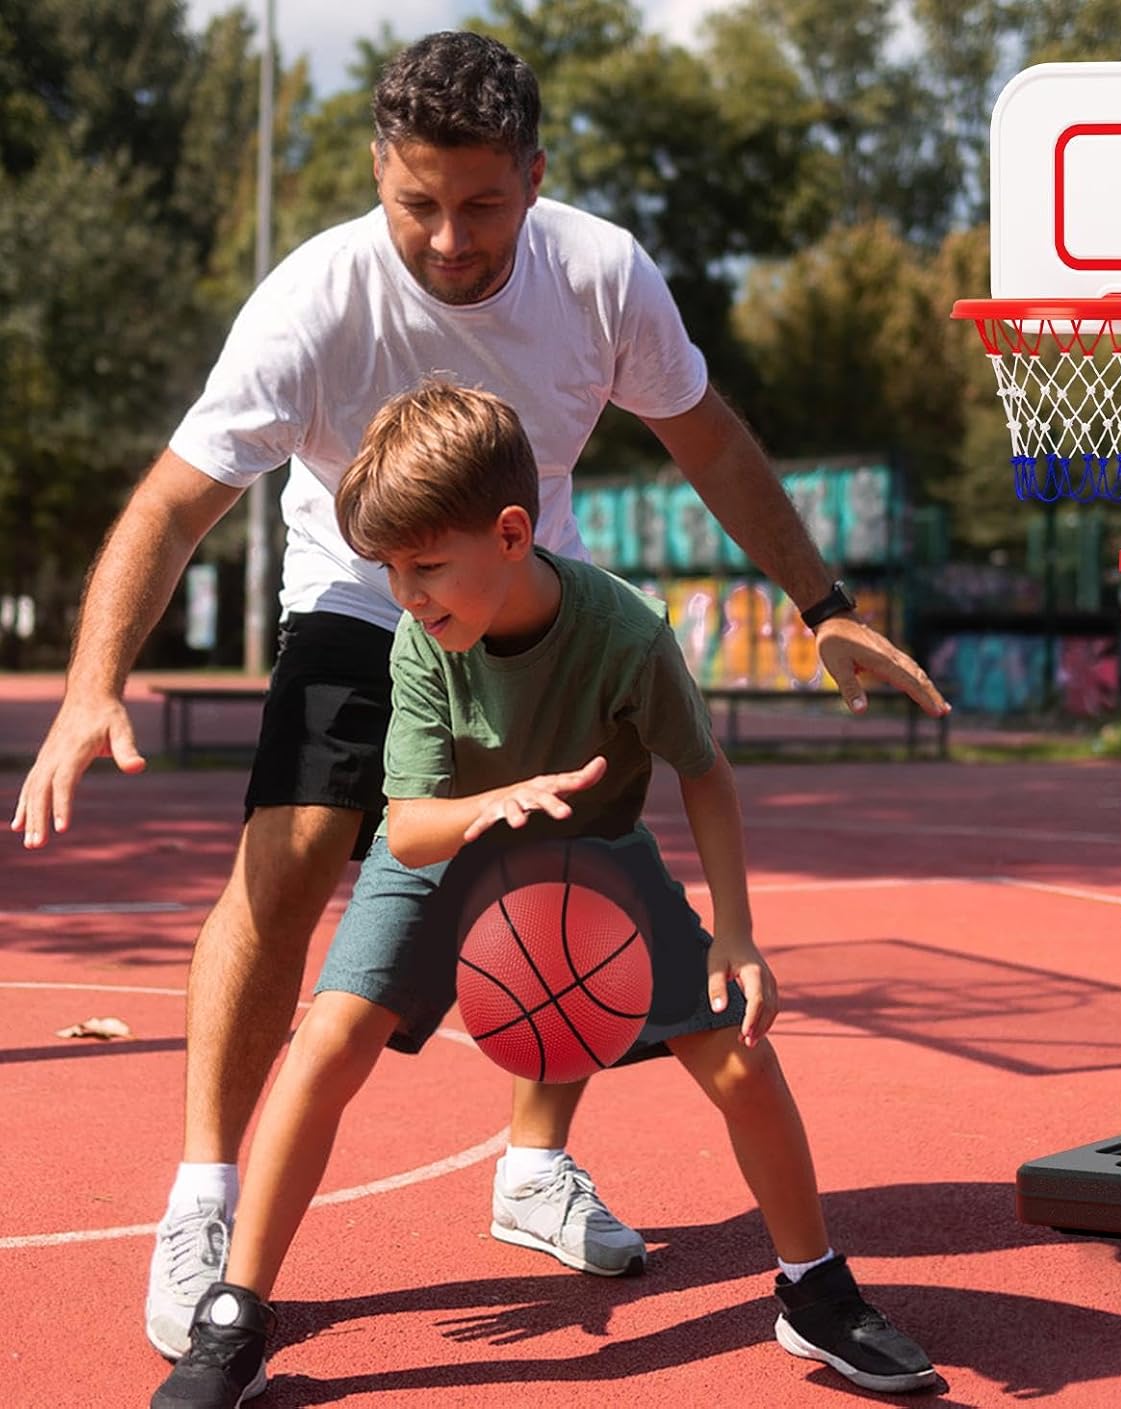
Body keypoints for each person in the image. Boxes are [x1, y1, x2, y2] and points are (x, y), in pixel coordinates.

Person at [8, 29, 948, 1360]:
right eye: (418, 204)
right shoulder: (311, 302)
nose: (450, 239)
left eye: (483, 204)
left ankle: (532, 1164)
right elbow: (173, 502)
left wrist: (827, 607)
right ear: (381, 175)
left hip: (532, 607)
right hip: (359, 602)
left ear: (535, 176)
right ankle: (205, 1198)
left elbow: (712, 443)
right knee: (286, 874)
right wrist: (92, 681)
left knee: (566, 876)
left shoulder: (598, 275)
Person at [149, 380, 939, 1407]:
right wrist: (500, 798)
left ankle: (814, 1287)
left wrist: (736, 933)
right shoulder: (422, 639)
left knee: (742, 1053)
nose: (408, 591)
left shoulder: (625, 631)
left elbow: (703, 771)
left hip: (591, 852)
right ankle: (237, 1313)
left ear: (513, 532)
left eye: (425, 564)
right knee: (327, 1039)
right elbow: (412, 819)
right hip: (439, 849)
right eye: (390, 569)